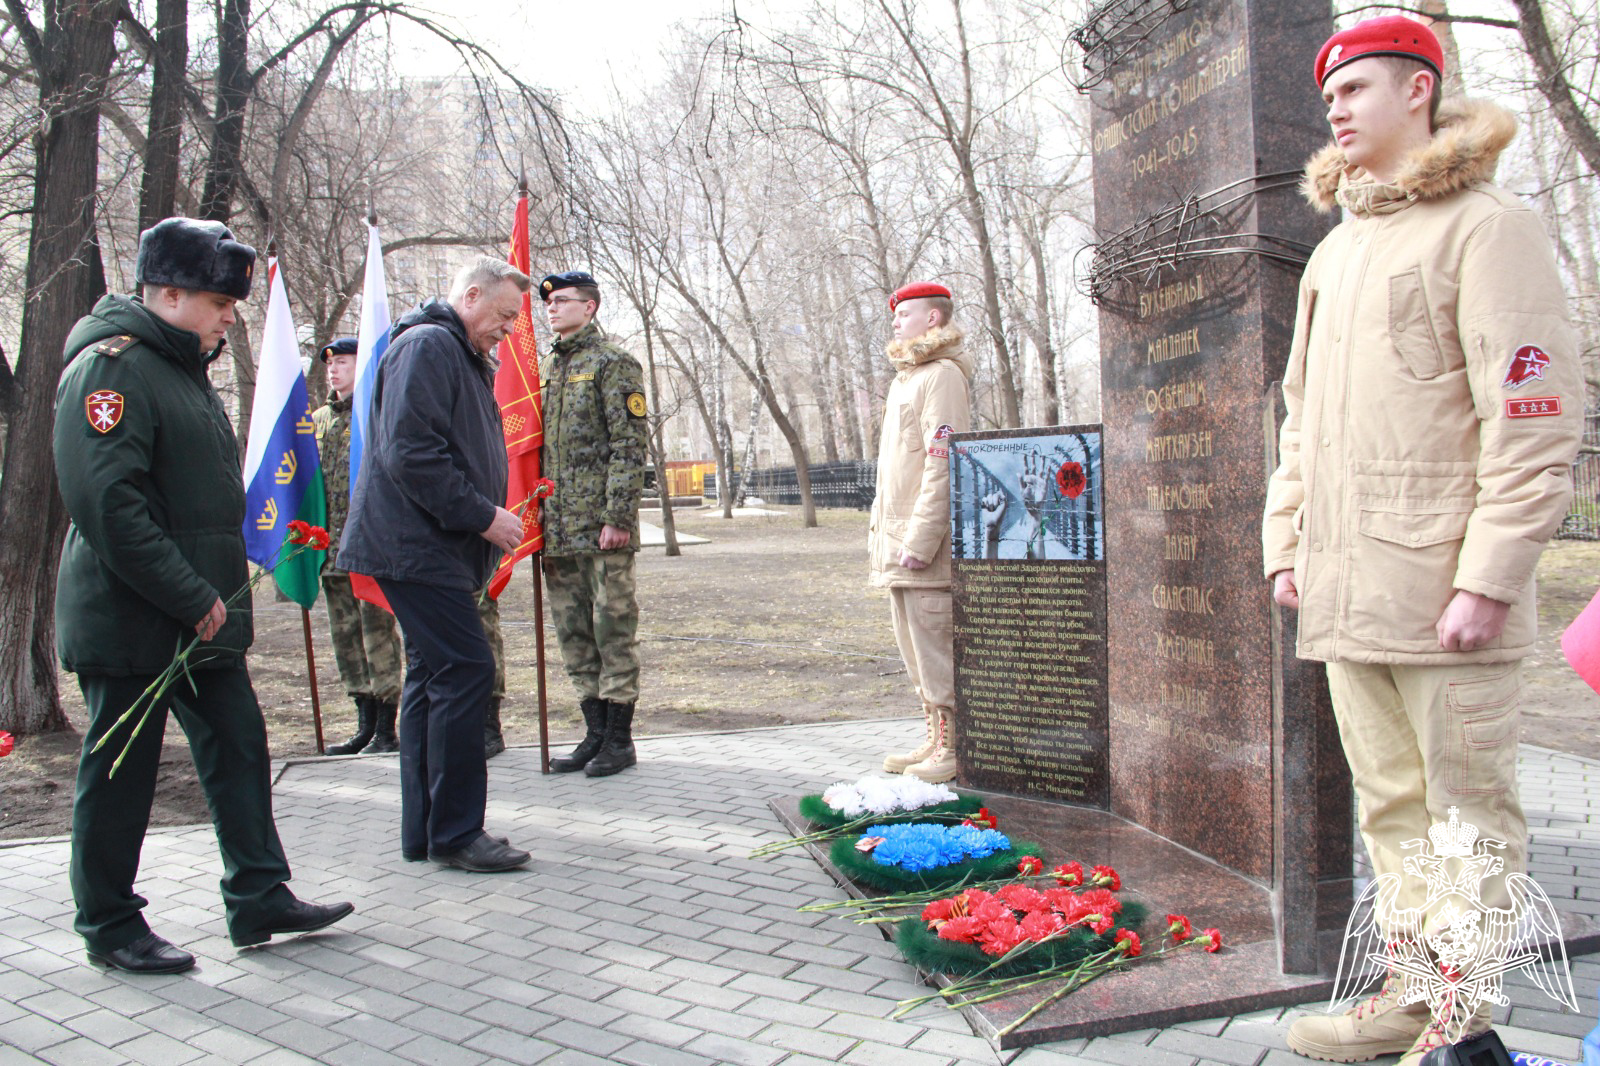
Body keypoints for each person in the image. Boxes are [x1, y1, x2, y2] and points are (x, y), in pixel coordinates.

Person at [1263, 18, 1584, 1065]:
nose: (1337, 110)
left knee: (1467, 819)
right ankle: (1409, 993)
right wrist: (1286, 545)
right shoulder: (1338, 249)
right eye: (1328, 99)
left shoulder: (1488, 229)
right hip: (1349, 591)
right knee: (1393, 813)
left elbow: (1531, 420)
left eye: (1357, 88)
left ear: (1419, 91)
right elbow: (1299, 417)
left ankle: (1461, 1022)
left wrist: (1488, 578)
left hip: (1448, 595)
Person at [53, 217, 354, 974]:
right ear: (172, 291)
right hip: (135, 614)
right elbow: (108, 506)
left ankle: (259, 892)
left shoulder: (180, 367)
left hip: (198, 617)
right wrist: (191, 594)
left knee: (240, 745)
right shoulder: (111, 369)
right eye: (221, 301)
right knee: (122, 768)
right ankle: (110, 923)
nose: (230, 316)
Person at [338, 256, 532, 873]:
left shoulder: (458, 351)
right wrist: (484, 516)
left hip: (426, 547)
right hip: (415, 546)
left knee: (432, 675)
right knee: (466, 668)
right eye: (503, 315)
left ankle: (425, 829)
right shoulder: (428, 345)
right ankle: (455, 832)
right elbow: (412, 453)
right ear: (471, 296)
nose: (508, 329)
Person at [536, 270, 648, 778]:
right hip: (557, 528)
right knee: (574, 633)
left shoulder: (613, 363)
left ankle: (620, 740)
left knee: (612, 629)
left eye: (563, 301)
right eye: (548, 303)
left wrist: (617, 517)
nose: (552, 309)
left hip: (601, 527)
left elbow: (629, 444)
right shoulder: (545, 369)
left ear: (591, 307)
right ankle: (594, 733)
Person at [871, 282, 972, 784]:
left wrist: (920, 539)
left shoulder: (942, 376)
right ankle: (933, 736)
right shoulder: (905, 379)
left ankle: (953, 747)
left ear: (932, 318)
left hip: (923, 547)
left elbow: (943, 465)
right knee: (914, 653)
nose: (895, 320)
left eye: (904, 312)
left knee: (937, 651)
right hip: (895, 544)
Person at [313, 337, 401, 756]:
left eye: (343, 362)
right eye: (330, 364)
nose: (334, 370)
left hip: (369, 545)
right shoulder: (315, 422)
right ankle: (363, 721)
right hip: (328, 548)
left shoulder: (373, 416)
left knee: (377, 634)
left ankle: (387, 726)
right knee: (345, 637)